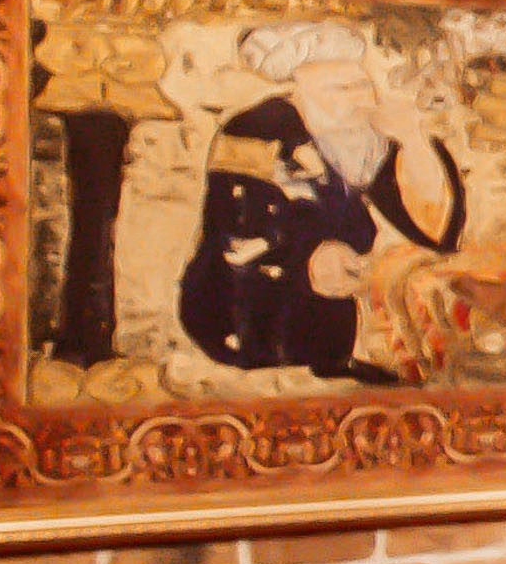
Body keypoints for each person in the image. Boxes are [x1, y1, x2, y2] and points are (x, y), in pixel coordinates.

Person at [174, 20, 461, 380]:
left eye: (364, 87)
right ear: (305, 92)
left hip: (335, 305)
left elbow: (432, 231)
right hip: (243, 306)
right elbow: (238, 230)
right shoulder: (253, 130)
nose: (363, 101)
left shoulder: (362, 142)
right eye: (344, 88)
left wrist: (414, 140)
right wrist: (308, 256)